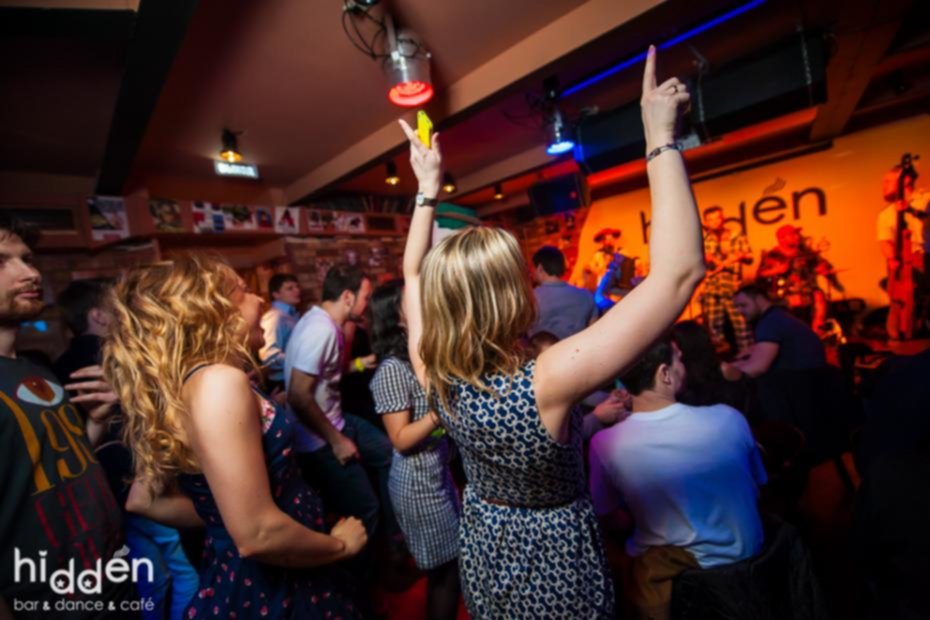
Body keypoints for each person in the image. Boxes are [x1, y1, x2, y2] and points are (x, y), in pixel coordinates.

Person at [398, 45, 704, 618]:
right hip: (552, 556)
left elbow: (412, 272)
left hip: (485, 540)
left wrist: (427, 189)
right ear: (517, 293)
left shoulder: (432, 368)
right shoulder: (547, 379)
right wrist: (660, 138)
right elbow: (678, 274)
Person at [103, 255, 367, 619]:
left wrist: (227, 515)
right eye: (243, 292)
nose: (259, 300)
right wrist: (340, 546)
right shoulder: (218, 382)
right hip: (275, 577)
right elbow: (258, 534)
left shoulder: (191, 384)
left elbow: (143, 500)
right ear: (211, 310)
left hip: (277, 556)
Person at [0, 213, 135, 616]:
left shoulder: (35, 368)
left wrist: (95, 421)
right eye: (2, 262)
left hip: (111, 582)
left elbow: (57, 466)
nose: (30, 273)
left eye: (27, 259)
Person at [589, 337, 766, 618]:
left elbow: (611, 519)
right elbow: (757, 484)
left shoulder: (605, 443)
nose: (684, 366)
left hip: (689, 584)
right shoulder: (729, 417)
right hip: (755, 565)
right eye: (679, 359)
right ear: (664, 374)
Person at [55, 278, 199, 620]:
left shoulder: (58, 365)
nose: (124, 315)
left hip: (102, 488)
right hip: (133, 479)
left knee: (153, 578)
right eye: (116, 309)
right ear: (98, 316)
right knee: (185, 572)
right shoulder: (113, 356)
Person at [368, 279, 462, 620]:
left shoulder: (418, 358)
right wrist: (440, 412)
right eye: (412, 299)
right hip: (417, 486)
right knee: (446, 574)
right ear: (396, 317)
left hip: (436, 475)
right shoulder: (392, 370)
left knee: (452, 569)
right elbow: (400, 438)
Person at [285, 265, 393, 541]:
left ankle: (394, 537)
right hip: (319, 438)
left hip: (338, 420)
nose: (368, 303)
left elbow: (330, 372)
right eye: (365, 297)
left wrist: (362, 362)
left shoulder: (322, 322)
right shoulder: (320, 330)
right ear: (347, 296)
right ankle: (369, 563)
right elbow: (298, 395)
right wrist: (336, 441)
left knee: (387, 453)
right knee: (366, 509)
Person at [728, 283, 826, 378]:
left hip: (801, 380)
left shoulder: (770, 322)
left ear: (759, 300)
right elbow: (755, 351)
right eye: (736, 307)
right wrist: (734, 363)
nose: (739, 311)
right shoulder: (778, 316)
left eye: (743, 305)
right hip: (810, 377)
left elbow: (757, 368)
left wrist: (727, 377)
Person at [877, 164, 926, 340]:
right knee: (899, 300)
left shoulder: (926, 200)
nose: (883, 186)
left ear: (905, 180)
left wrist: (910, 210)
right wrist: (893, 258)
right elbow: (884, 241)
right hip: (902, 261)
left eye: (888, 181)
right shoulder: (885, 214)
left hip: (923, 255)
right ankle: (900, 333)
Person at [756, 225, 833, 332]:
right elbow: (760, 275)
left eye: (797, 234)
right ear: (781, 239)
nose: (797, 237)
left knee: (819, 296)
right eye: (792, 235)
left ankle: (817, 329)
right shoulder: (772, 255)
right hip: (786, 300)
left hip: (809, 298)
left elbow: (823, 265)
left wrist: (823, 269)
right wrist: (776, 270)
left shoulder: (805, 253)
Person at [701, 205, 754, 353]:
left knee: (742, 324)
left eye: (718, 218)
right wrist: (708, 259)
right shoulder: (703, 240)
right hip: (712, 288)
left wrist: (740, 256)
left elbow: (750, 257)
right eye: (711, 219)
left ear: (723, 218)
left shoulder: (736, 235)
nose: (715, 222)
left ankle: (749, 356)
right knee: (714, 326)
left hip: (734, 287)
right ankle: (722, 359)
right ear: (706, 222)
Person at [672, 320, 750, 412]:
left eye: (675, 347)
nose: (675, 351)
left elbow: (746, 397)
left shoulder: (722, 369)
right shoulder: (679, 375)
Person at [531, 245, 597, 339]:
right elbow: (594, 334)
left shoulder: (531, 298)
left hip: (547, 349)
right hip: (582, 347)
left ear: (540, 268)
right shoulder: (586, 296)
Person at [259, 273, 301, 392]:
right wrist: (301, 359)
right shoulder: (274, 317)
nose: (297, 290)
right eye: (290, 288)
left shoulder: (291, 315)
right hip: (281, 382)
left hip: (291, 378)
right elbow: (269, 356)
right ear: (276, 294)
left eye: (297, 287)